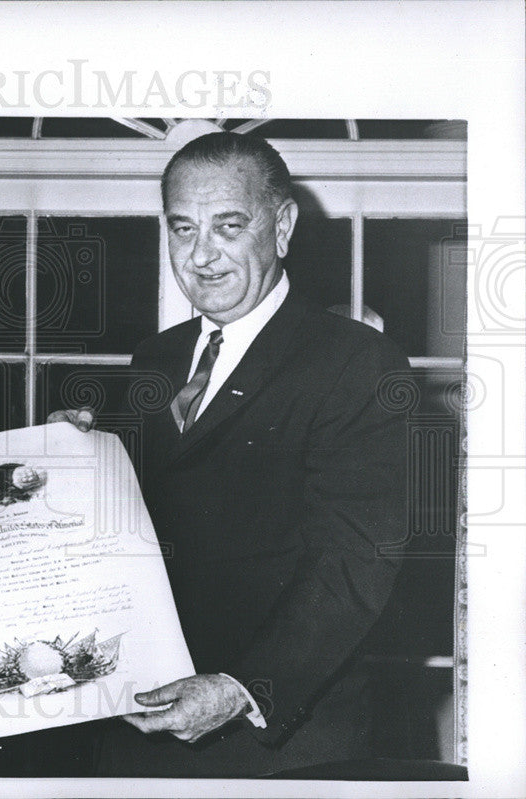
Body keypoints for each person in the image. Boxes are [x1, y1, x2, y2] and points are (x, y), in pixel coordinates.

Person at [51, 132, 409, 776]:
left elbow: (356, 562)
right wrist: (72, 460)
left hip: (279, 742)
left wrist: (245, 688)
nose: (202, 255)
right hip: (142, 723)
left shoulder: (357, 361)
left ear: (283, 226)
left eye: (229, 226)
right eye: (183, 228)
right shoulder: (155, 359)